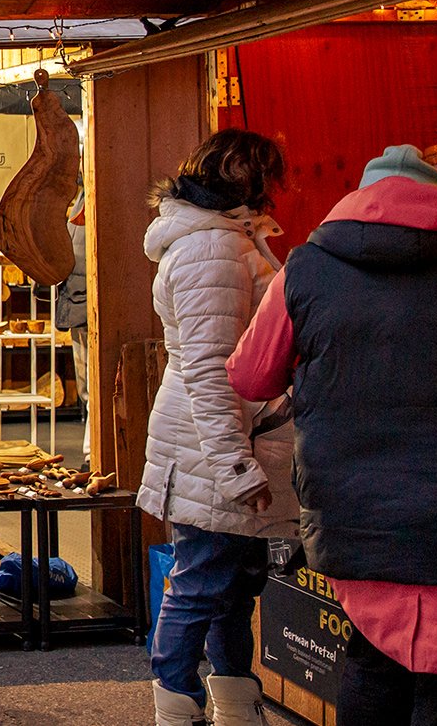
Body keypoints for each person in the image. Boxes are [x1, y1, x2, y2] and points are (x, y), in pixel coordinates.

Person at [230, 146, 437, 726]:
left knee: (376, 664)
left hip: (357, 507)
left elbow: (250, 374)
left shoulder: (307, 266)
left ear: (359, 196)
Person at [138, 129, 297, 726]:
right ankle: (178, 709)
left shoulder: (223, 240)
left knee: (230, 587)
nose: (272, 193)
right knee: (204, 582)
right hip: (214, 447)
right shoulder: (212, 249)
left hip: (221, 441)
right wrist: (236, 466)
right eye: (266, 177)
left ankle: (233, 703)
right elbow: (212, 369)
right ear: (238, 172)